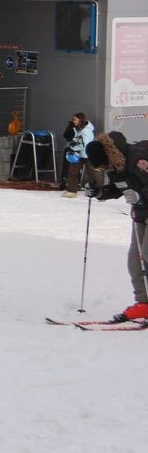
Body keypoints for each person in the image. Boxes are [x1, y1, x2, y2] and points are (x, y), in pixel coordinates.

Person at [84, 132, 148, 321]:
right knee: (135, 260)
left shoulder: (137, 158)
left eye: (104, 165)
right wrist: (99, 192)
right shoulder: (115, 165)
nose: (105, 169)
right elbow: (117, 188)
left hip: (144, 205)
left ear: (109, 156)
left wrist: (141, 197)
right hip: (141, 213)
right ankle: (144, 303)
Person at [62, 112, 95, 198]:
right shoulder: (78, 129)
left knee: (92, 174)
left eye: (75, 119)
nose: (73, 121)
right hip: (79, 154)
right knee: (72, 171)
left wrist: (74, 147)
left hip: (88, 154)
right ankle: (72, 191)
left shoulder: (86, 130)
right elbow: (76, 138)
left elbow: (86, 145)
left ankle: (99, 192)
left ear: (80, 120)